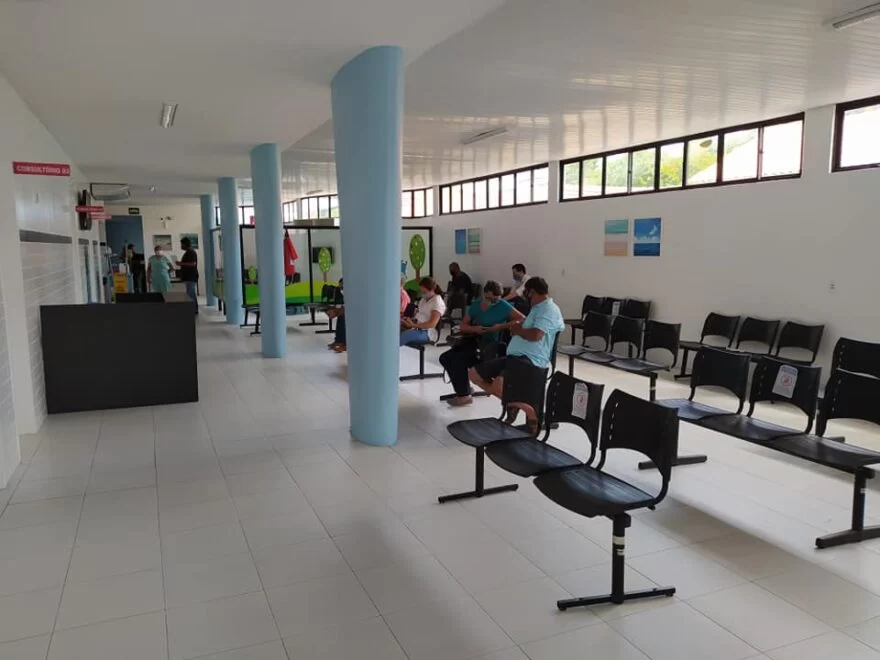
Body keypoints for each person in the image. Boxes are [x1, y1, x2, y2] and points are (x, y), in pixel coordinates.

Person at [469, 277, 564, 431]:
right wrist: (517, 327)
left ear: (532, 292)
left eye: (527, 294)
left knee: (499, 384)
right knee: (474, 374)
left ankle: (532, 415)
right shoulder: (537, 308)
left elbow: (536, 335)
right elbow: (526, 328)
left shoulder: (549, 309)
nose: (527, 299)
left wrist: (518, 330)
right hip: (514, 358)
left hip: (530, 359)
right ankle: (514, 403)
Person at [439, 281, 524, 407]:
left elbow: (522, 319)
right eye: (490, 299)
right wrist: (475, 329)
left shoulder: (503, 305)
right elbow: (463, 325)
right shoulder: (476, 305)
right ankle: (464, 389)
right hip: (475, 340)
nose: (494, 302)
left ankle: (464, 395)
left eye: (496, 299)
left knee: (458, 359)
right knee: (445, 358)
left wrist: (501, 326)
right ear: (484, 294)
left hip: (491, 346)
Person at [400, 277, 446, 346]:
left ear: (432, 290)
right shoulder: (423, 300)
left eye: (424, 292)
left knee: (403, 337)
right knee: (396, 330)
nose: (422, 294)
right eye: (421, 291)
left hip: (428, 332)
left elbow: (432, 324)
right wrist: (409, 320)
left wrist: (413, 325)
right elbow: (419, 316)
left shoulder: (437, 302)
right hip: (417, 327)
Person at [177, 237, 199, 312]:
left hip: (191, 276)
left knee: (190, 294)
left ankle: (193, 309)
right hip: (189, 276)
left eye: (182, 244)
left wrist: (181, 263)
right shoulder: (188, 252)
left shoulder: (191, 252)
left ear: (185, 244)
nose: (181, 246)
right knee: (191, 293)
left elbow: (193, 264)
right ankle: (194, 309)